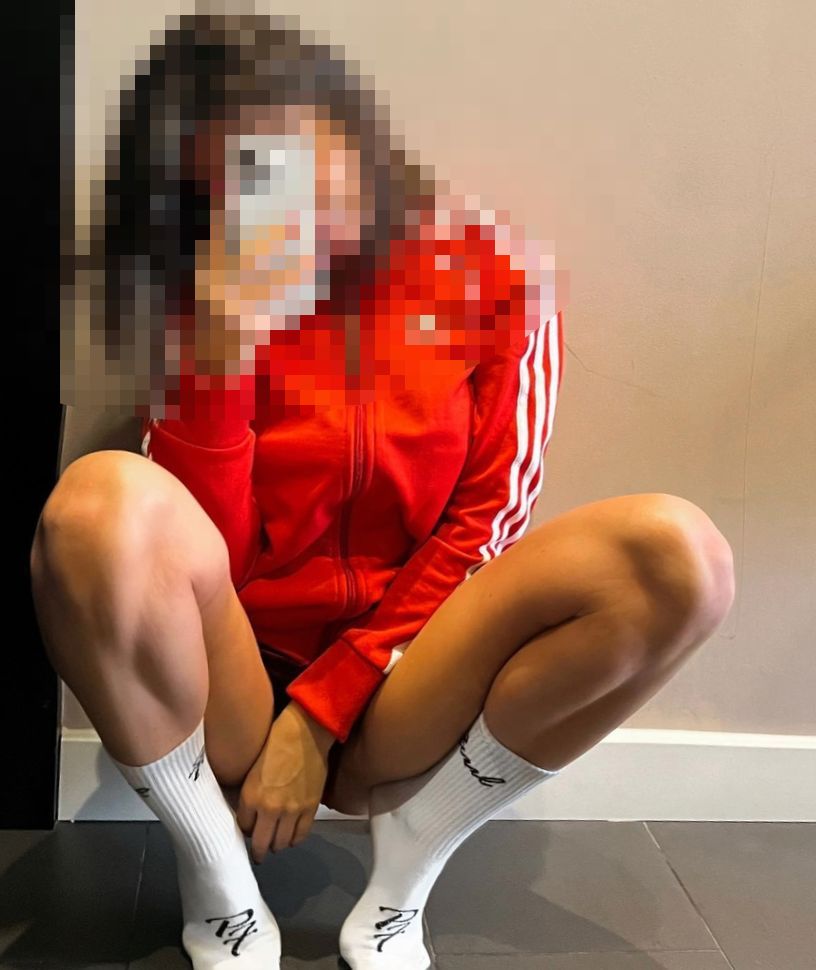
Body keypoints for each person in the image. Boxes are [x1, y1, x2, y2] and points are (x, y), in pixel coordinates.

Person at [32, 13, 736, 970]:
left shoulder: (497, 274)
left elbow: (487, 523)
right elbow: (200, 553)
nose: (281, 193)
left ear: (349, 127)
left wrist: (325, 711)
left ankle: (410, 867)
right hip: (238, 675)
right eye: (232, 180)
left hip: (414, 670)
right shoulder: (205, 293)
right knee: (94, 506)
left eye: (289, 149)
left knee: (680, 558)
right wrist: (218, 348)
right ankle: (219, 880)